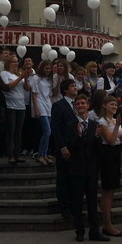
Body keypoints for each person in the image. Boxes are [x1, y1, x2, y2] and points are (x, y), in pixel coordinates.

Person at [67, 93, 108, 242]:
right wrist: (78, 136)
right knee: (77, 201)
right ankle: (79, 230)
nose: (81, 106)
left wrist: (97, 138)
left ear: (87, 105)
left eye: (83, 103)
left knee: (92, 201)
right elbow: (71, 147)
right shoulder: (71, 125)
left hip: (91, 169)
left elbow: (97, 149)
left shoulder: (94, 125)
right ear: (75, 107)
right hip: (76, 168)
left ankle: (95, 231)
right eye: (78, 104)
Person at [96, 95, 122, 237]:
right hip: (107, 154)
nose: (114, 107)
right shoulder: (103, 121)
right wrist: (117, 125)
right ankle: (107, 224)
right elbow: (110, 140)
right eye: (111, 104)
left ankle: (108, 221)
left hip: (116, 153)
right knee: (108, 190)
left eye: (115, 105)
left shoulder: (114, 120)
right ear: (104, 106)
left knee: (112, 190)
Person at [51, 78, 78, 218]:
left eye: (75, 85)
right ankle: (64, 208)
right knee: (63, 178)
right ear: (66, 89)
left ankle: (75, 206)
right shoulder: (59, 106)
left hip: (77, 148)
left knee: (75, 179)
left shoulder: (79, 104)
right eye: (72, 86)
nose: (75, 88)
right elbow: (56, 128)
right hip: (65, 147)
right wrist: (62, 147)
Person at [0, 55, 31, 165]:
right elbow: (8, 87)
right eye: (13, 62)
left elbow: (27, 89)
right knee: (11, 131)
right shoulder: (4, 74)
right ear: (8, 63)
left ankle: (17, 154)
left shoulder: (18, 74)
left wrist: (26, 77)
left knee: (19, 131)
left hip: (21, 105)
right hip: (10, 106)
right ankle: (10, 155)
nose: (16, 64)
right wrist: (21, 77)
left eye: (17, 62)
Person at [29, 60, 54, 165]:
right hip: (40, 104)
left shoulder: (49, 79)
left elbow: (50, 95)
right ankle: (40, 155)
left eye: (49, 68)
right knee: (47, 131)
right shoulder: (36, 78)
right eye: (46, 68)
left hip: (48, 106)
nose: (48, 70)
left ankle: (44, 154)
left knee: (48, 132)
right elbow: (34, 94)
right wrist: (36, 108)